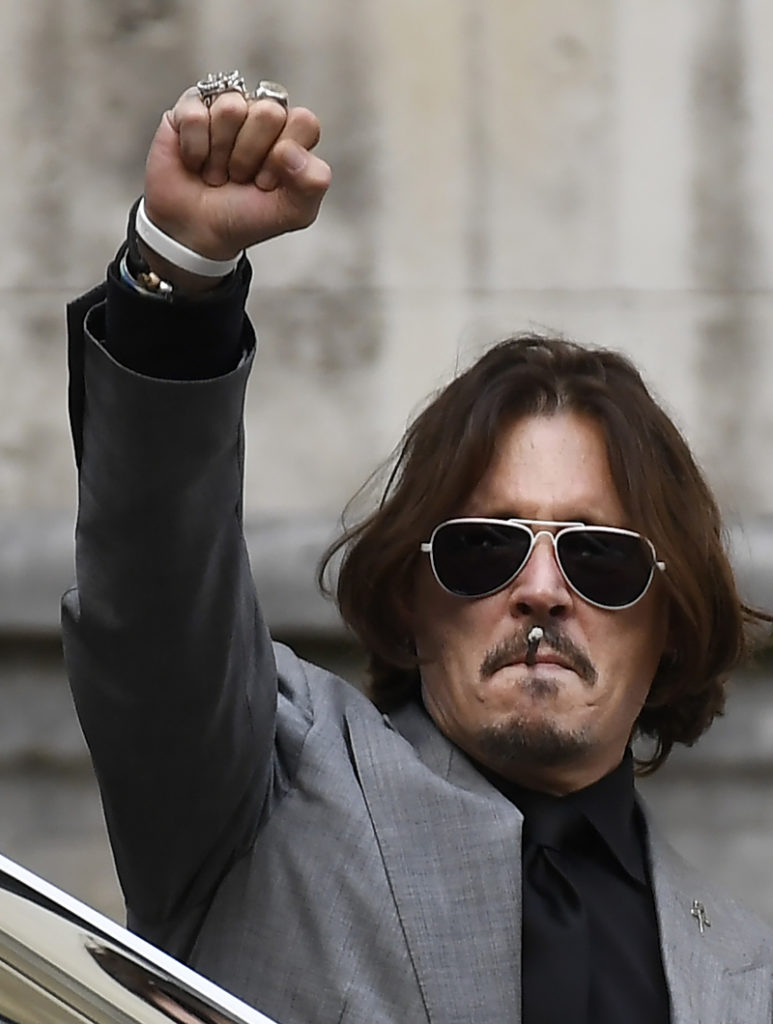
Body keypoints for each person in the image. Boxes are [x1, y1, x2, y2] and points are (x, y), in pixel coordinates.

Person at [63, 73, 773, 1024]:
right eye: (485, 548)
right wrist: (179, 277)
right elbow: (156, 586)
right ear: (411, 597)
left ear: (671, 624)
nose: (541, 589)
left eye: (598, 558)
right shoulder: (264, 787)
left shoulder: (743, 973)